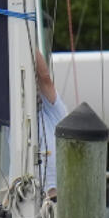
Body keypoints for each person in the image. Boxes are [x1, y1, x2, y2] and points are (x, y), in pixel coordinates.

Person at [36, 50, 69, 199]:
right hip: (24, 199)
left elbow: (45, 79)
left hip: (54, 198)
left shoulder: (55, 110)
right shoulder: (11, 115)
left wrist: (28, 39)